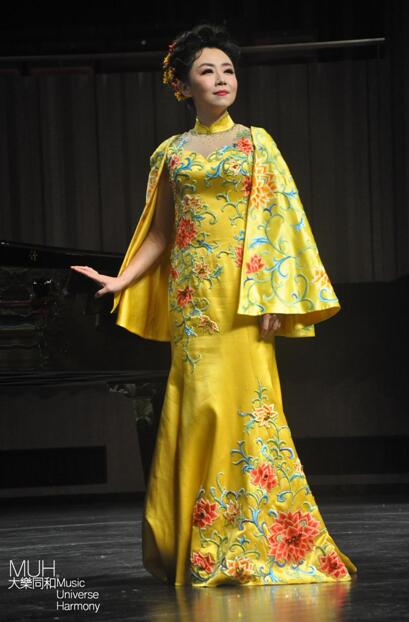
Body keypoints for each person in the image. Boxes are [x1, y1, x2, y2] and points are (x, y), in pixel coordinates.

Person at [71, 23, 358, 588]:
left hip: (242, 299)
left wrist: (274, 295)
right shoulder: (170, 153)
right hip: (192, 299)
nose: (222, 78)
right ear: (183, 86)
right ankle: (202, 544)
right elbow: (160, 232)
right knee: (198, 408)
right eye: (207, 70)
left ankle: (257, 541)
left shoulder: (257, 143)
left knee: (247, 409)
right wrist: (120, 278)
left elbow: (281, 221)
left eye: (228, 69)